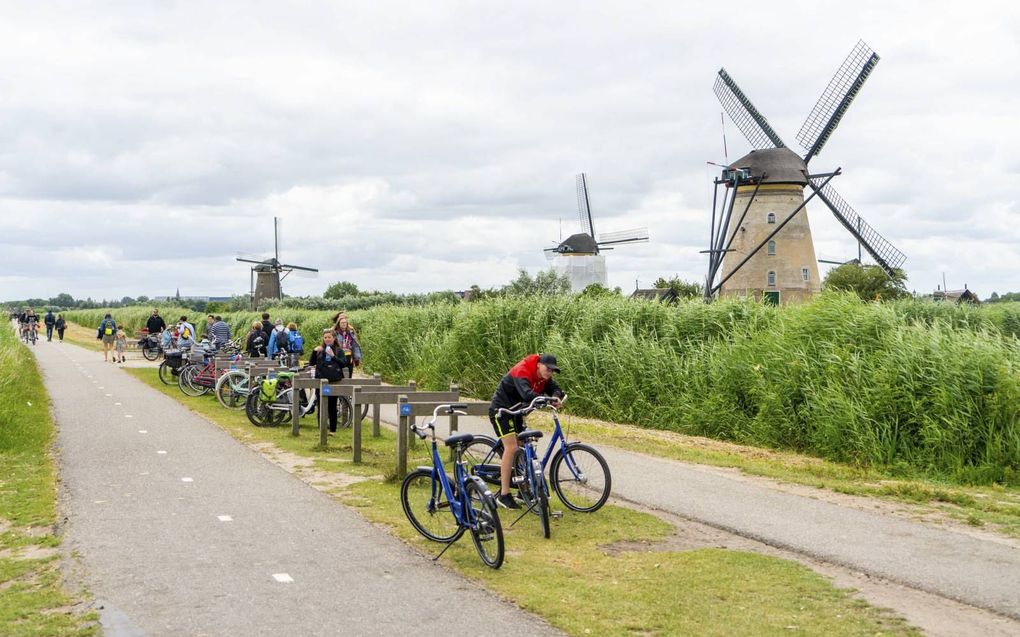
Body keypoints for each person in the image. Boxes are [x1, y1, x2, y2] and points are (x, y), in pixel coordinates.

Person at [488, 353, 565, 509]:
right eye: (547, 369)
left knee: (522, 447)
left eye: (552, 371)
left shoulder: (544, 377)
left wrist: (555, 396)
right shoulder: (522, 370)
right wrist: (546, 399)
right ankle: (504, 495)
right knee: (512, 448)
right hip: (502, 410)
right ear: (538, 364)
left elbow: (555, 389)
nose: (549, 373)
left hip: (518, 412)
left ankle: (522, 491)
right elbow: (526, 394)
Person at [308, 329, 345, 433]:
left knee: (332, 406)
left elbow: (343, 363)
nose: (327, 339)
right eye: (325, 338)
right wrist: (314, 352)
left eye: (329, 337)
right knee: (321, 405)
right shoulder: (320, 350)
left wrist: (333, 356)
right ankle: (322, 430)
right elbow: (311, 363)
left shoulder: (339, 350)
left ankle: (333, 430)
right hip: (321, 381)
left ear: (333, 338)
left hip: (333, 382)